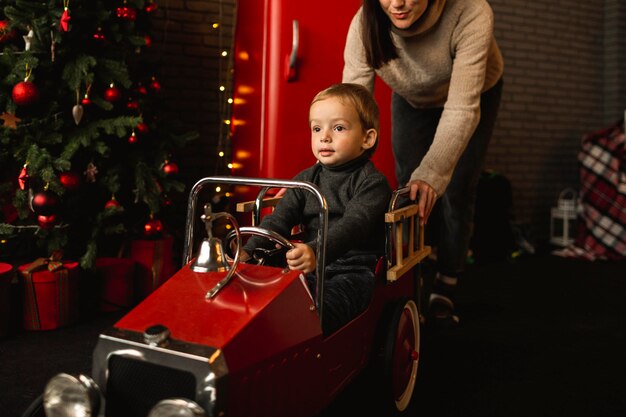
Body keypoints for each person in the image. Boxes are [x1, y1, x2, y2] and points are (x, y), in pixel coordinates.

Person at [343, 0, 504, 326]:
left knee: (455, 186)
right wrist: (339, 172)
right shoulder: (365, 21)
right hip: (412, 95)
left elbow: (461, 109)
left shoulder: (471, 12)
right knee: (408, 187)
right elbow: (352, 105)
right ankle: (414, 269)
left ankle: (448, 278)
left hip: (473, 93)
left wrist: (433, 173)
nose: (397, 4)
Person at [242, 83, 392, 334]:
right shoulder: (306, 179)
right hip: (306, 263)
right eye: (317, 128)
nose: (324, 136)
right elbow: (279, 219)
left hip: (352, 270)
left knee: (318, 311)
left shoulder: (372, 183)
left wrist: (316, 251)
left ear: (367, 138)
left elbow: (353, 225)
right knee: (262, 298)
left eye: (339, 128)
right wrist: (248, 250)